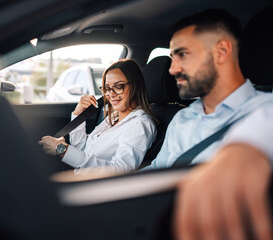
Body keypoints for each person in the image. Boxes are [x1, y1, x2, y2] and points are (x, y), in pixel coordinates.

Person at [142, 9, 273, 170]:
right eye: (172, 58)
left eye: (182, 54)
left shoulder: (266, 112)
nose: (172, 69)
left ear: (222, 52)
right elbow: (157, 170)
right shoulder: (182, 118)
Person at [39, 59, 157, 174]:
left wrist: (61, 150)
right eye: (107, 88)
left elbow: (120, 171)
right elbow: (84, 149)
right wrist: (78, 115)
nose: (111, 94)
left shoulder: (140, 124)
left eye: (118, 86)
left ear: (135, 86)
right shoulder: (114, 117)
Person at [174, 103, 273, 240]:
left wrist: (246, 145)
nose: (175, 79)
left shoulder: (261, 107)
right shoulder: (181, 117)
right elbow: (156, 165)